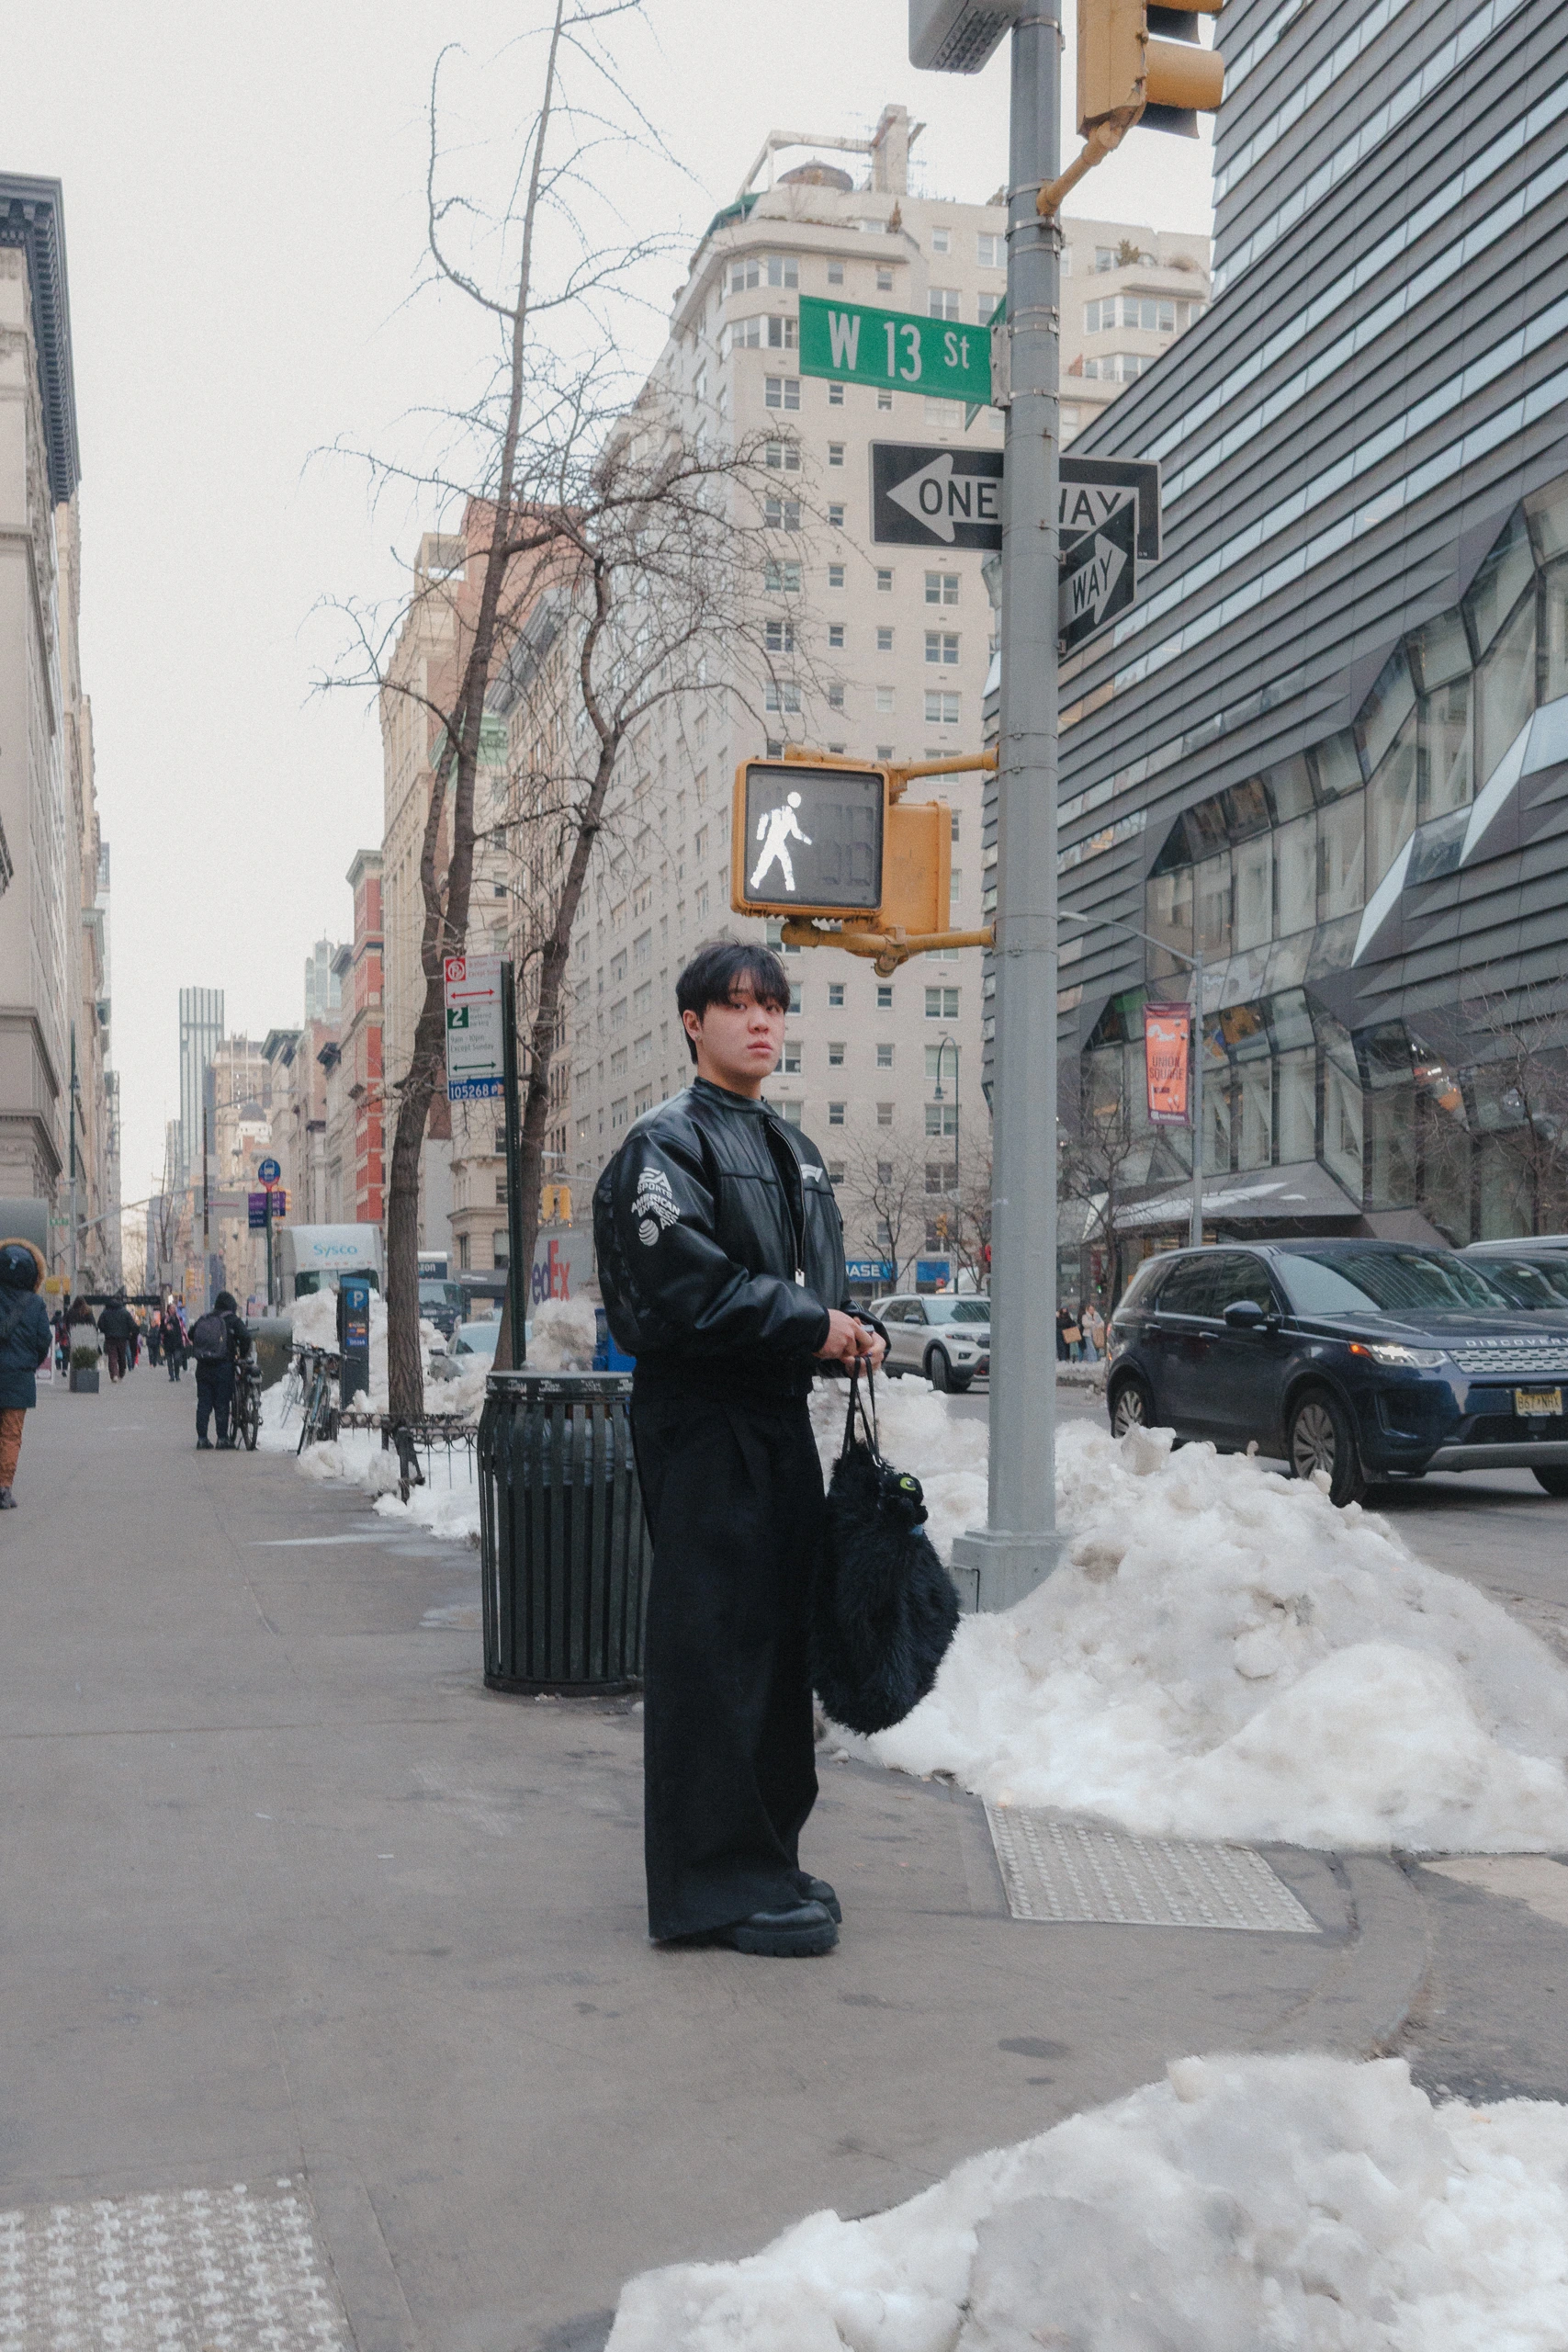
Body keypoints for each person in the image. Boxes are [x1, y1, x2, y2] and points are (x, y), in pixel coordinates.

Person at [594, 940, 886, 1962]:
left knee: (773, 1645)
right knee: (713, 1651)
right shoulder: (662, 1147)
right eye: (735, 1005)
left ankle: (765, 1855)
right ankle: (711, 1886)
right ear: (693, 1022)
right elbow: (685, 1287)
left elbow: (812, 1280)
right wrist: (811, 1327)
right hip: (704, 1417)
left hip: (772, 1415)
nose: (759, 1021)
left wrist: (848, 1325)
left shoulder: (793, 1149)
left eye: (772, 1005)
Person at [0, 1240, 54, 1509]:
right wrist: (28, 1363)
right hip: (18, 1378)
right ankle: (4, 1488)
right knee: (11, 1435)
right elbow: (44, 1340)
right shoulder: (35, 1304)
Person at [187, 1290, 252, 1449]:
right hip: (223, 1367)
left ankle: (202, 1438)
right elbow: (245, 1337)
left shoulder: (205, 1318)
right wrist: (241, 1355)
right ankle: (222, 1438)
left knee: (204, 1403)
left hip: (203, 1367)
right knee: (221, 1403)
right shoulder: (233, 1320)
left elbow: (191, 1334)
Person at [97, 1291, 136, 1383]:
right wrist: (129, 1332)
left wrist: (105, 1331)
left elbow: (100, 1324)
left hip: (110, 1337)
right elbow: (132, 1325)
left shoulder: (105, 1312)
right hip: (122, 1338)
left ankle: (114, 1374)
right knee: (122, 1356)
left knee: (112, 1356)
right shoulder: (125, 1312)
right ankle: (121, 1374)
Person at [163, 1300, 187, 1381]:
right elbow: (161, 1331)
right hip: (168, 1343)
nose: (174, 1309)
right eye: (172, 1308)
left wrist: (186, 1339)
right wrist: (166, 1328)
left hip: (177, 1343)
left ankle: (177, 1374)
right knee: (169, 1361)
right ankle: (172, 1376)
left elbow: (183, 1329)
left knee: (177, 1359)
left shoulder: (179, 1318)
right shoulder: (165, 1319)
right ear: (169, 1310)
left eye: (175, 1308)